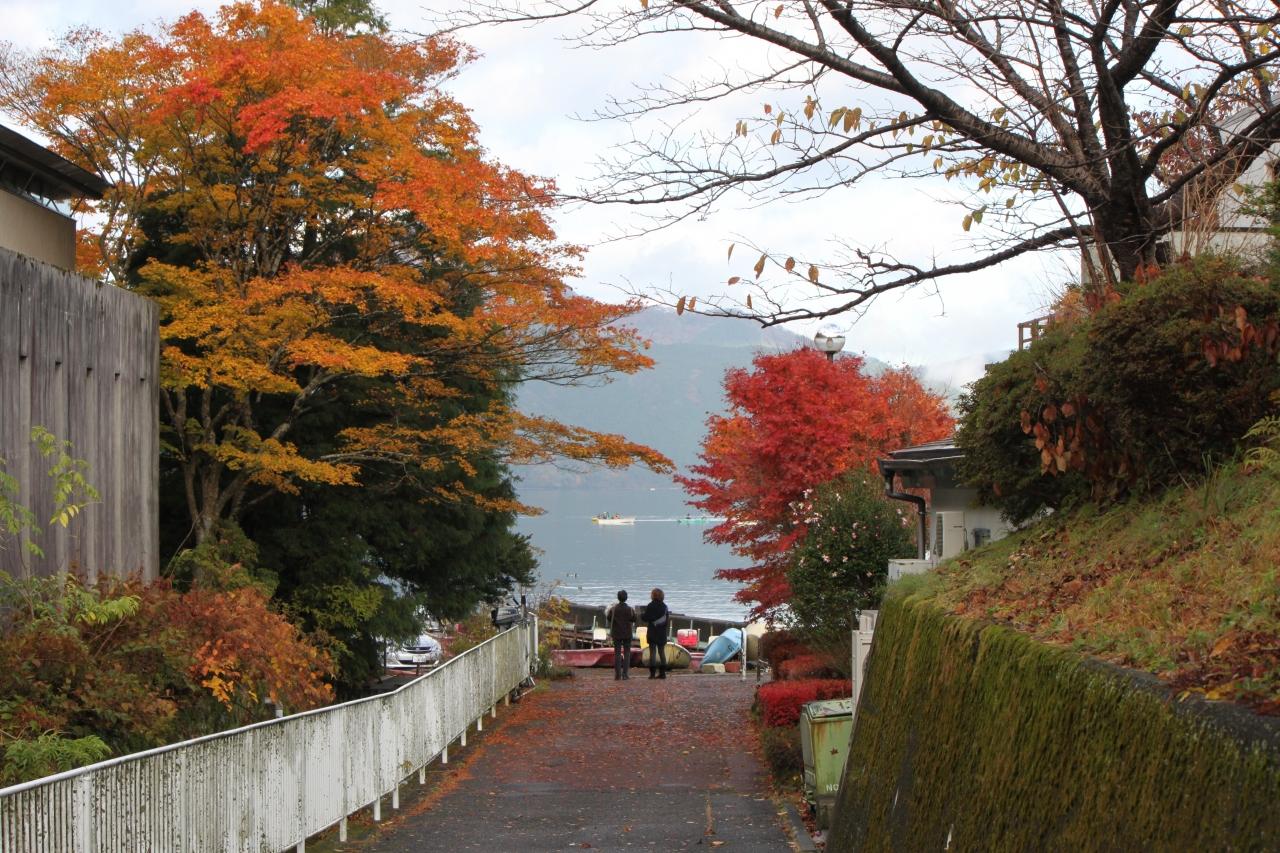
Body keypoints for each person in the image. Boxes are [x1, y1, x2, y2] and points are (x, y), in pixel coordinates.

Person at [605, 590, 637, 680]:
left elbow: (609, 618)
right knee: (627, 653)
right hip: (627, 633)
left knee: (617, 653)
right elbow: (634, 619)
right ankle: (625, 674)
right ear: (626, 598)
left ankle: (617, 674)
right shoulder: (630, 609)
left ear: (618, 598)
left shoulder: (613, 609)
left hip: (616, 633)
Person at [642, 588, 670, 679]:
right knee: (662, 652)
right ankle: (663, 673)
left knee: (652, 653)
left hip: (652, 632)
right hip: (662, 633)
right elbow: (666, 620)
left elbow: (645, 618)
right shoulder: (664, 607)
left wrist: (642, 615)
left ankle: (652, 674)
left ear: (653, 595)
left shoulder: (650, 605)